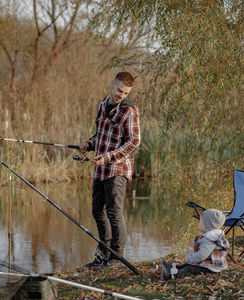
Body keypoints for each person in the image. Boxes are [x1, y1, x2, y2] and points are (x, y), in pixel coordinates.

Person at [79, 71, 141, 268]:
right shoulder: (102, 104)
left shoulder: (129, 111)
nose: (121, 95)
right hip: (101, 169)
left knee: (114, 211)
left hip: (118, 168)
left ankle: (117, 258)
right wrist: (89, 144)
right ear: (111, 85)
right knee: (97, 211)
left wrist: (108, 156)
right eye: (119, 90)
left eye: (125, 93)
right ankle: (103, 253)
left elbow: (134, 142)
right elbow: (102, 136)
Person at [161, 209, 230, 280]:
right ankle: (172, 267)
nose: (199, 223)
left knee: (189, 268)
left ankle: (170, 275)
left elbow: (201, 256)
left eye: (201, 221)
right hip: (210, 263)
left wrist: (189, 258)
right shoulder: (215, 235)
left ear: (207, 225)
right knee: (189, 264)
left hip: (212, 267)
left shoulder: (210, 239)